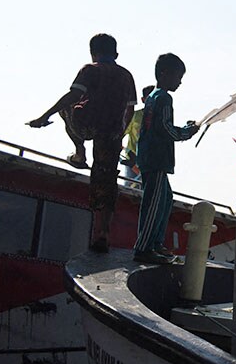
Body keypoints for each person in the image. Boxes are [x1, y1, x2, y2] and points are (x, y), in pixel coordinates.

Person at [28, 33, 137, 252]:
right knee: (106, 179)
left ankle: (80, 151)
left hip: (87, 126)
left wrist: (44, 116)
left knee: (66, 108)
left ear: (93, 53)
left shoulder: (90, 70)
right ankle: (103, 233)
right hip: (111, 133)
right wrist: (120, 133)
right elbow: (130, 109)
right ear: (116, 54)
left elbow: (72, 95)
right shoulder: (126, 75)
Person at [133, 54, 199, 264]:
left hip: (151, 157)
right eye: (178, 77)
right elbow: (164, 128)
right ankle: (144, 247)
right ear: (164, 74)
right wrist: (186, 132)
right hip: (156, 159)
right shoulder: (163, 98)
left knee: (165, 199)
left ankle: (155, 243)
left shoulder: (153, 96)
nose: (179, 82)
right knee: (154, 204)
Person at [122, 85, 155, 186]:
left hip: (151, 163)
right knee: (129, 189)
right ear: (143, 100)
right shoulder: (134, 116)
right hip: (133, 159)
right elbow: (118, 136)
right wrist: (128, 155)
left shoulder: (161, 119)